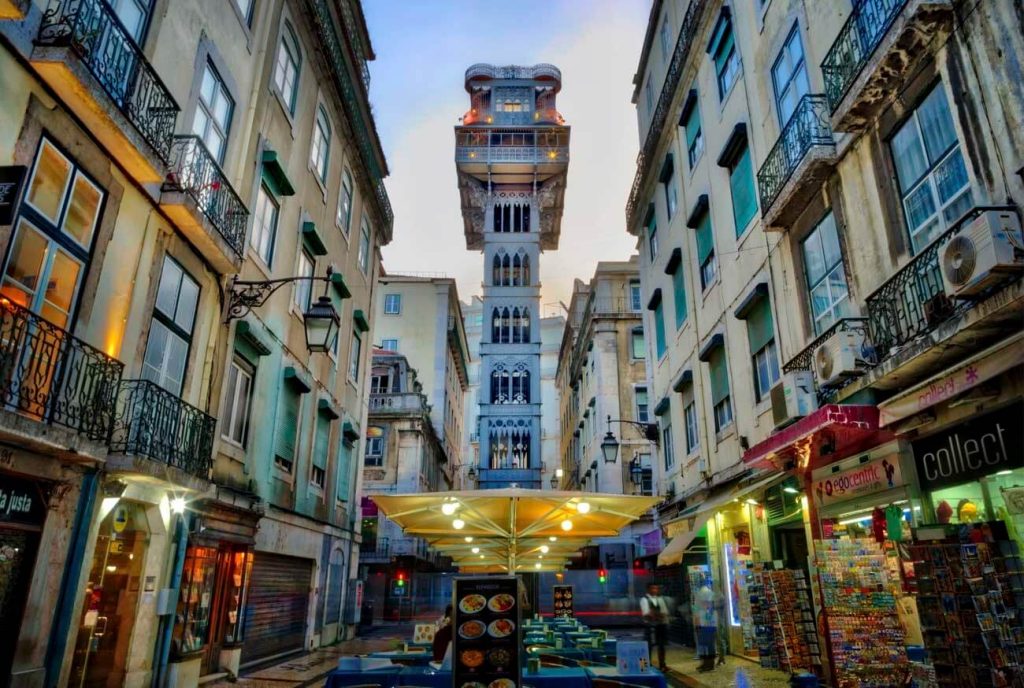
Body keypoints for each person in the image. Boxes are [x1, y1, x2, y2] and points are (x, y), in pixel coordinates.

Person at [640, 582, 669, 671]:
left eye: (656, 588)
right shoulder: (644, 599)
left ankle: (662, 665)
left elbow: (665, 613)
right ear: (648, 589)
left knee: (661, 646)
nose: (655, 590)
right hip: (649, 626)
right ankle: (645, 667)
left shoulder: (660, 599)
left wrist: (654, 614)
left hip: (661, 625)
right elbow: (646, 614)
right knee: (648, 646)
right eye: (653, 588)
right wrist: (658, 615)